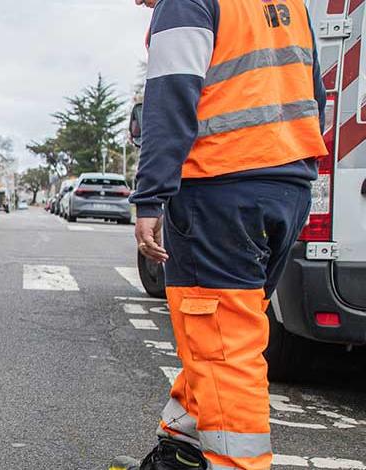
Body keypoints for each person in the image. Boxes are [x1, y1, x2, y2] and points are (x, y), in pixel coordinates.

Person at [115, 0, 326, 469]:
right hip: (286, 187)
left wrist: (150, 197)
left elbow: (171, 99)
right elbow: (315, 93)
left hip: (222, 188)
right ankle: (181, 452)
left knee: (221, 347)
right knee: (217, 334)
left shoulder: (185, 3)